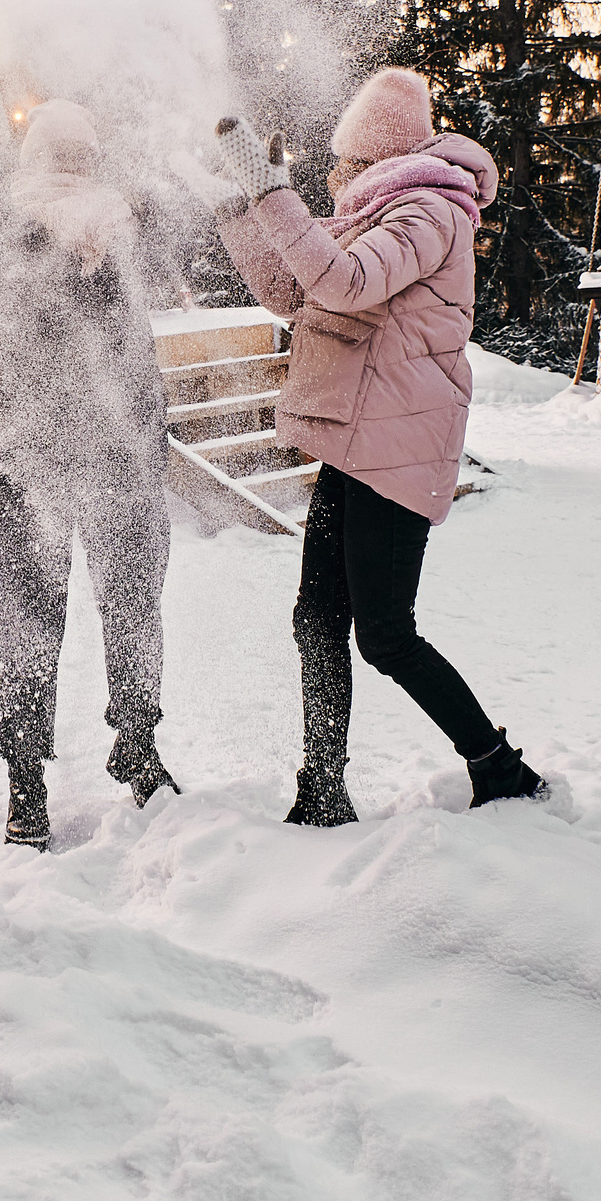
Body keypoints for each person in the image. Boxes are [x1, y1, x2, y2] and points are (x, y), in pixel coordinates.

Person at [208, 68, 544, 826]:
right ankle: (322, 786)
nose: (332, 176)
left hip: (396, 449)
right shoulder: (380, 209)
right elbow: (294, 290)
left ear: (375, 159)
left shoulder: (429, 212)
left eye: (344, 163)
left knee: (385, 634)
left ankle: (498, 765)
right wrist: (235, 203)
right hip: (357, 443)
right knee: (315, 619)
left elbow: (345, 281)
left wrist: (273, 192)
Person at [0, 100, 180, 847]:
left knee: (94, 610)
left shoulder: (118, 231)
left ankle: (122, 751)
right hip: (38, 460)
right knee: (55, 617)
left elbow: (134, 350)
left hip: (103, 456)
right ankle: (42, 773)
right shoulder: (9, 231)